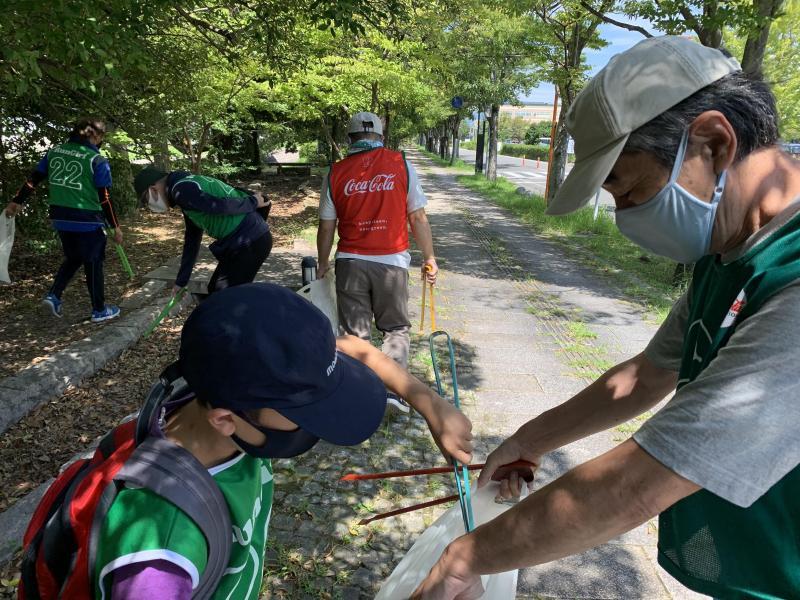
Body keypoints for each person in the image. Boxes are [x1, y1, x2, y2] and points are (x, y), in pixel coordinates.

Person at [413, 36, 800, 600]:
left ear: (714, 143)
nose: (626, 216)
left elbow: (644, 481)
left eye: (630, 188)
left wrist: (468, 556)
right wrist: (531, 439)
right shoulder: (730, 254)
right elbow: (648, 373)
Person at [92, 283, 472, 598]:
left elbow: (356, 350)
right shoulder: (161, 555)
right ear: (226, 418)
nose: (315, 427)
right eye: (303, 413)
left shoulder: (226, 389)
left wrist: (432, 406)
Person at [317, 111, 438, 413]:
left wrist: (322, 263)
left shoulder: (336, 172)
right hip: (392, 262)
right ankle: (393, 393)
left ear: (350, 138)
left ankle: (360, 392)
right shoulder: (401, 165)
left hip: (350, 262)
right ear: (382, 136)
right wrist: (430, 257)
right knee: (395, 328)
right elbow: (418, 216)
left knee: (355, 334)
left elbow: (326, 225)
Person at [3, 118, 123, 322]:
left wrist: (17, 200)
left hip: (60, 218)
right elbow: (105, 197)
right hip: (88, 219)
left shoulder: (54, 152)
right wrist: (115, 226)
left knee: (74, 257)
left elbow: (33, 180)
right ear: (94, 135)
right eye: (101, 136)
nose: (101, 140)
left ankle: (54, 295)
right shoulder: (96, 160)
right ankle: (99, 309)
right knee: (93, 262)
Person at [133, 166, 272, 295]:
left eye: (146, 200)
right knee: (219, 293)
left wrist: (253, 202)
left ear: (153, 189)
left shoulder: (181, 190)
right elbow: (192, 239)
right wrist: (181, 281)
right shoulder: (185, 189)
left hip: (248, 242)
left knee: (223, 298)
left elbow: (218, 206)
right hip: (250, 240)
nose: (148, 205)